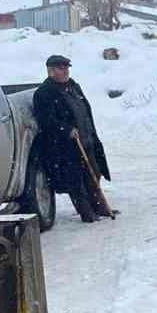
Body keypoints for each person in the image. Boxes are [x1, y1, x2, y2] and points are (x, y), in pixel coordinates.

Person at [31, 55, 113, 223]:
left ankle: (98, 206)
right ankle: (87, 213)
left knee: (94, 172)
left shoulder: (73, 87)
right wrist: (66, 129)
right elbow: (46, 119)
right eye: (62, 68)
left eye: (67, 68)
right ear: (51, 71)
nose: (66, 71)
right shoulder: (44, 93)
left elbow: (84, 110)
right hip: (66, 145)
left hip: (86, 139)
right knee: (76, 180)